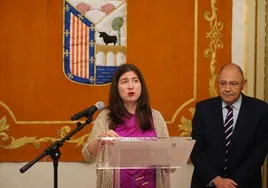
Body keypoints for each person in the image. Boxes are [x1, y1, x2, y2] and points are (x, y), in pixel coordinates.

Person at [82, 63, 170, 188]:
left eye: (135, 81)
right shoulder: (106, 117)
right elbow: (87, 155)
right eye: (124, 82)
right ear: (116, 88)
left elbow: (169, 163)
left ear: (141, 86)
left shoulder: (156, 117)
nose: (130, 86)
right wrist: (100, 139)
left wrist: (162, 155)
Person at [190, 63, 268, 188]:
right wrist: (216, 180)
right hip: (208, 183)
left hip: (245, 183)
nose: (227, 88)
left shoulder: (260, 110)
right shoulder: (203, 109)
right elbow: (196, 148)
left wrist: (232, 183)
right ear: (217, 83)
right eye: (223, 83)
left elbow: (259, 151)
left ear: (243, 85)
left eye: (233, 83)